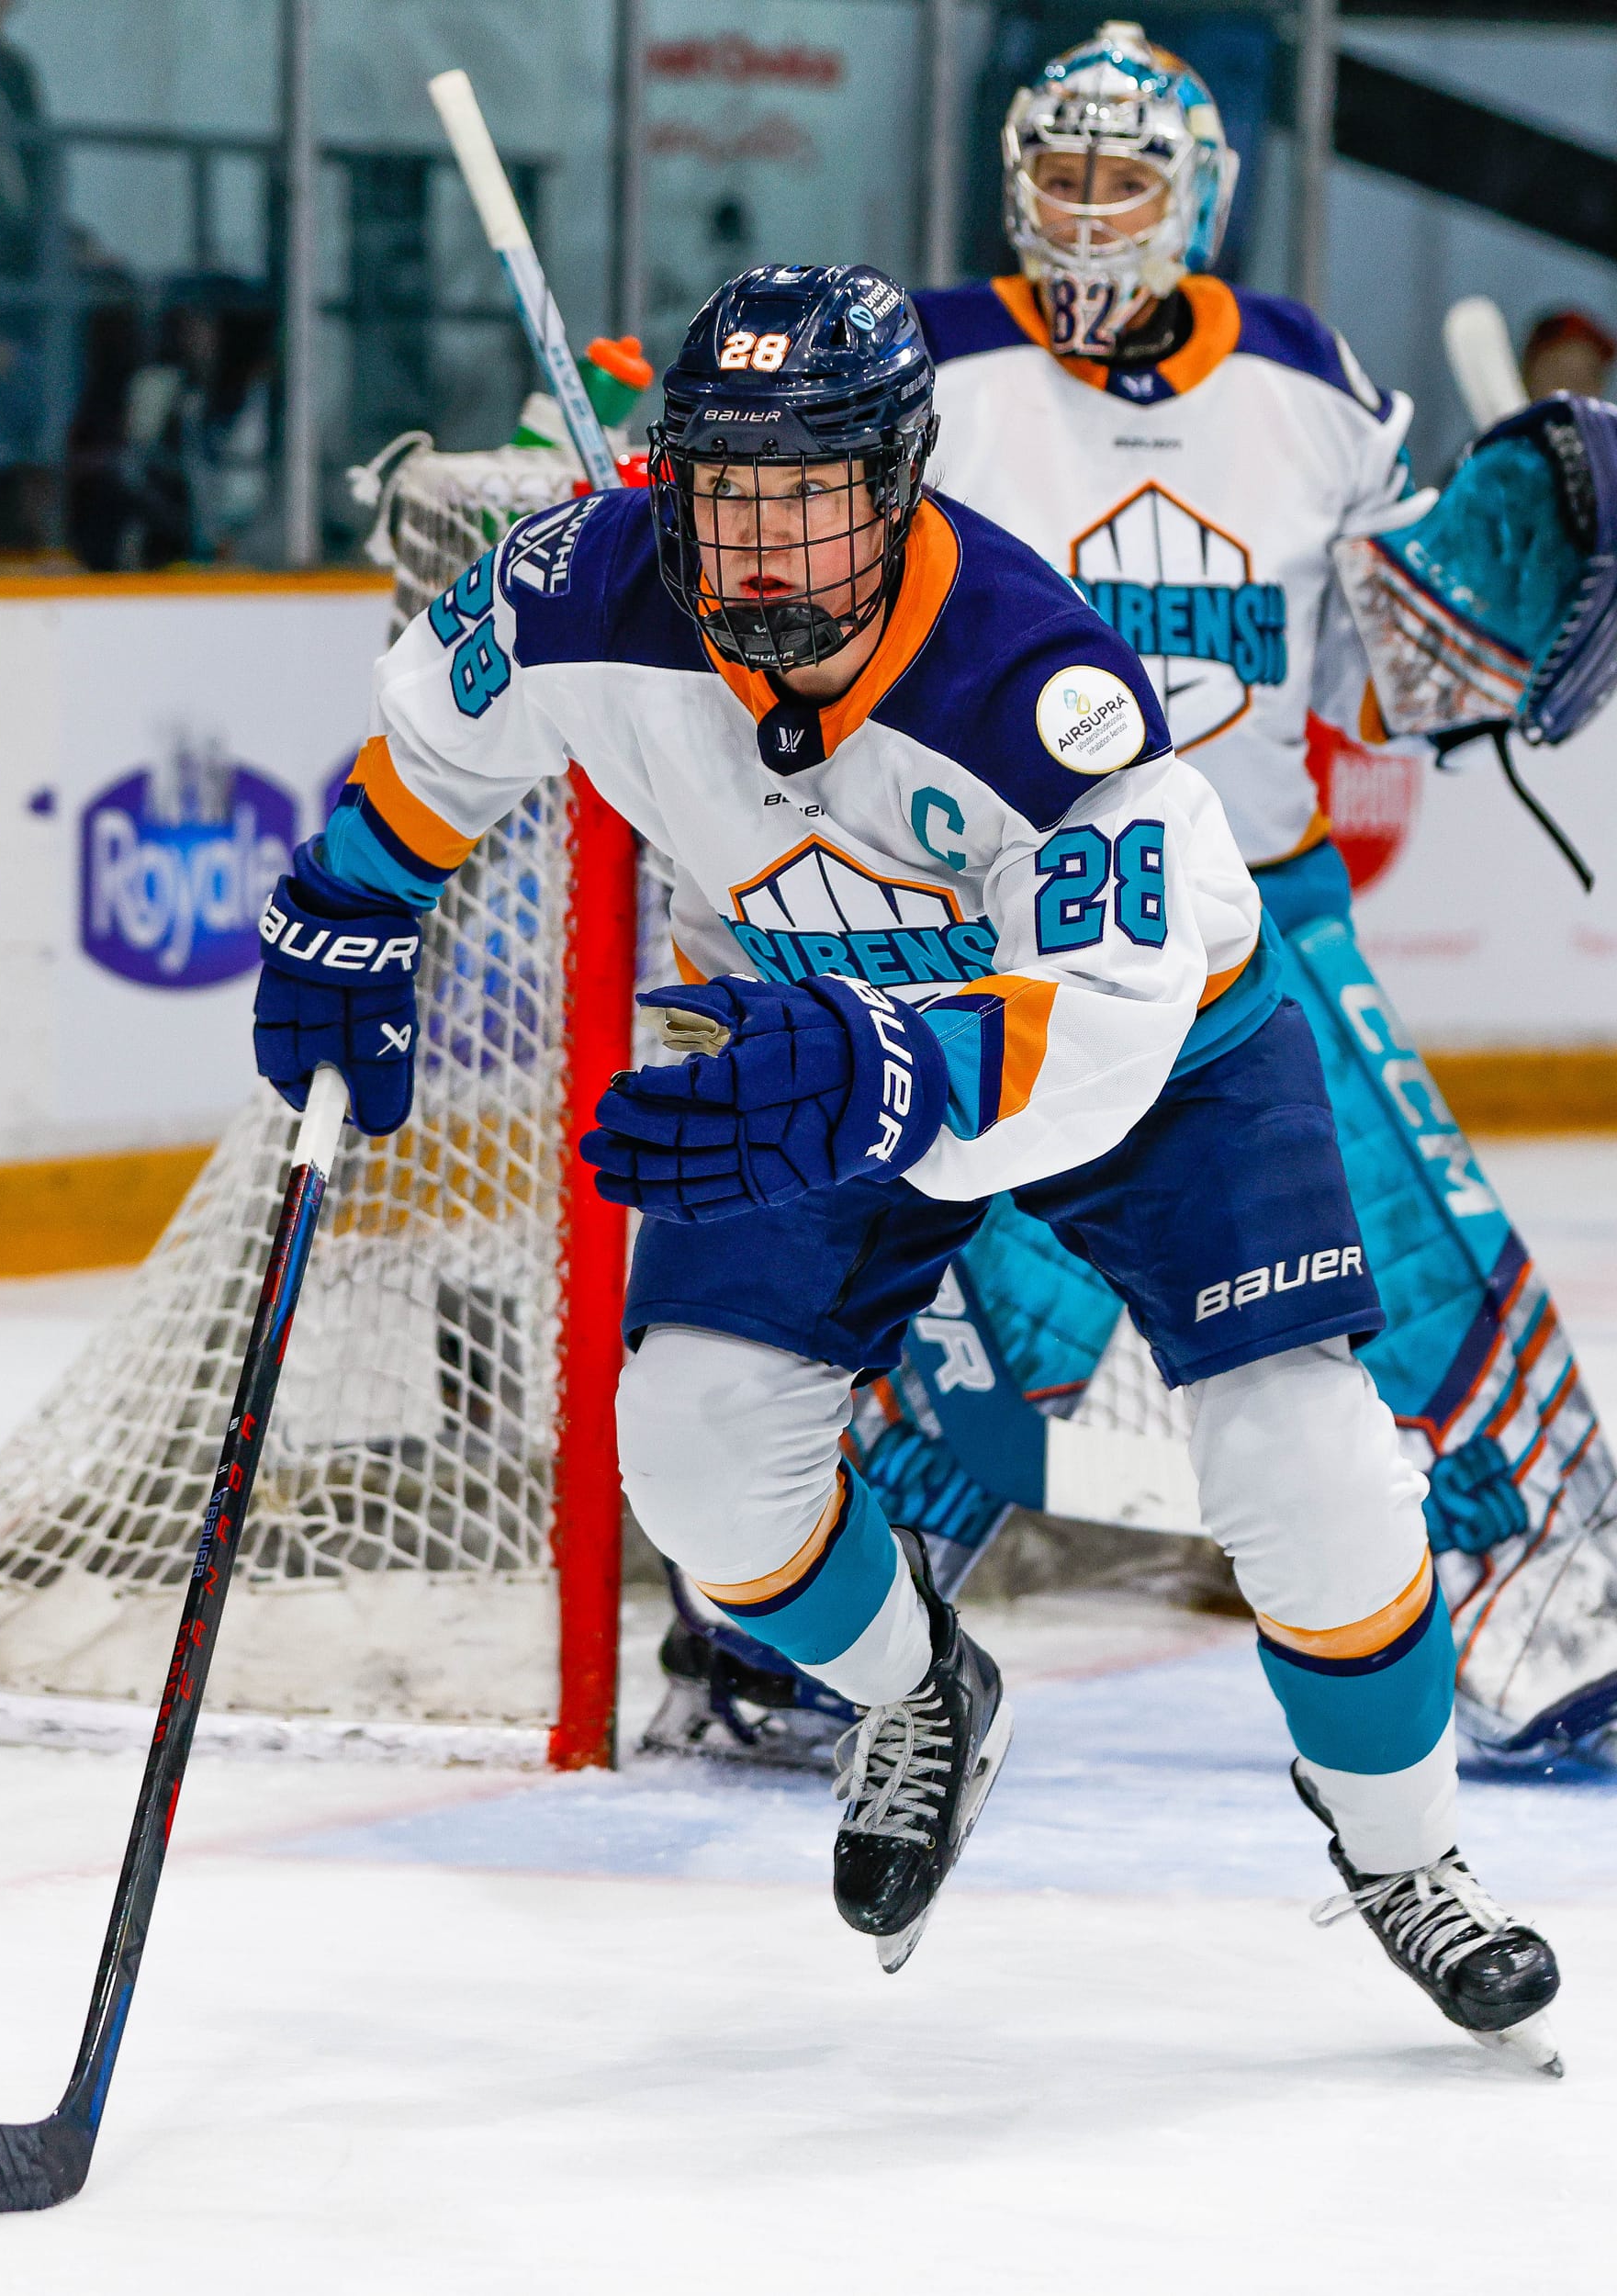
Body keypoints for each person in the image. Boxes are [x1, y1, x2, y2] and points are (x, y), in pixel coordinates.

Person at [253, 262, 1562, 2066]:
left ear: (897, 484)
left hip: (1155, 1049)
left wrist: (889, 1064)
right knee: (695, 1449)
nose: (766, 553)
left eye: (811, 503)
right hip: (804, 1040)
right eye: (729, 501)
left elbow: (1094, 1043)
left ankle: (1407, 1853)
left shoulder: (1029, 679)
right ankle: (917, 1688)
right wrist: (343, 912)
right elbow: (435, 754)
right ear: (667, 487)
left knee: (1307, 1455)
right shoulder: (577, 586)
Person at [654, 21, 1617, 1778]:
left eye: (1128, 179)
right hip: (987, 924)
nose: (1090, 215)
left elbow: (1390, 661)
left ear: (1203, 200)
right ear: (1015, 181)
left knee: (1419, 1258)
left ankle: (1554, 1606)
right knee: (945, 1266)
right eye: (1063, 175)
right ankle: (802, 1631)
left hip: (1257, 926)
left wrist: (1499, 602)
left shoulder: (1315, 383)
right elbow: (722, 507)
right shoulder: (912, 364)